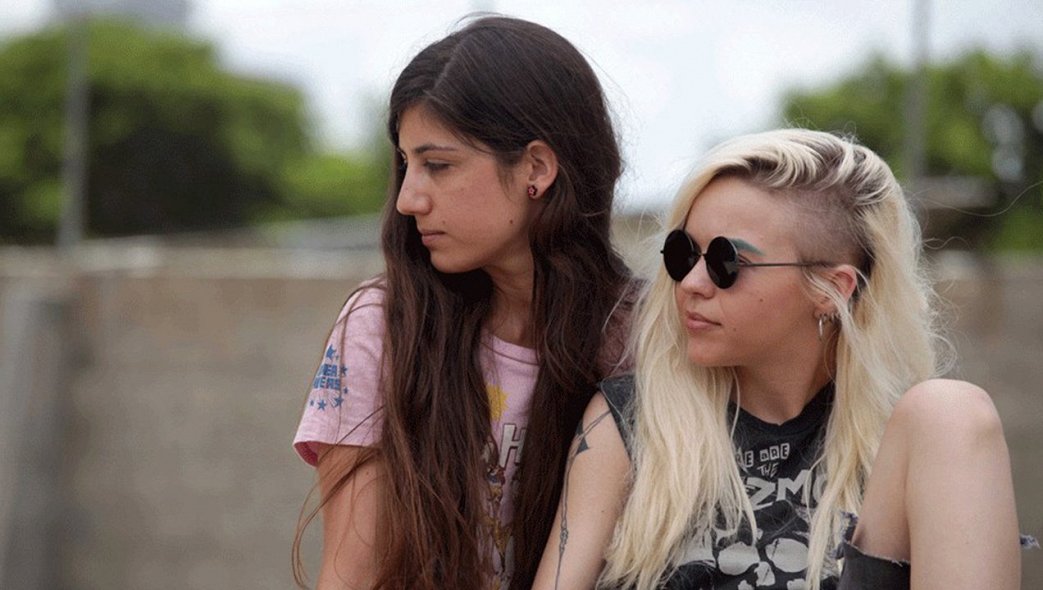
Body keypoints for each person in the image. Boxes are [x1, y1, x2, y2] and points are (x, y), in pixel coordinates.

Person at [533, 129, 1033, 589]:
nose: (690, 284)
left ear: (830, 289)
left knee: (951, 409)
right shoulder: (631, 423)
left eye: (727, 262)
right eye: (683, 253)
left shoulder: (913, 441)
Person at [290, 15, 636, 590]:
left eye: (438, 165)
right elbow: (349, 575)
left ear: (536, 168)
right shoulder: (384, 325)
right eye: (406, 164)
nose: (408, 199)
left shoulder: (640, 339)